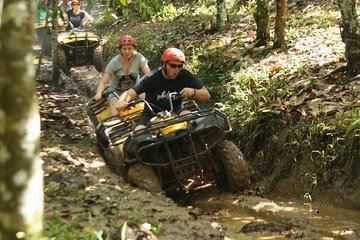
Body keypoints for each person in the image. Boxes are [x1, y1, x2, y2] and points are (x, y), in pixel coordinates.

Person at [115, 47, 211, 130]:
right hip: (150, 115)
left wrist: (194, 92)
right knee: (139, 133)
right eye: (173, 65)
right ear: (164, 64)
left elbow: (206, 95)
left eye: (180, 66)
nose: (176, 69)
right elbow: (131, 93)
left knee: (193, 120)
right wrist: (121, 102)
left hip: (177, 111)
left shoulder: (184, 75)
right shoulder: (151, 77)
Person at [94, 35, 151, 116]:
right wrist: (99, 93)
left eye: (129, 48)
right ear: (120, 49)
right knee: (116, 113)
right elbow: (104, 81)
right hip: (116, 91)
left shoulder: (139, 58)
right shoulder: (114, 62)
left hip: (135, 89)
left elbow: (149, 75)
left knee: (151, 103)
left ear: (134, 48)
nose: (127, 51)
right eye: (124, 49)